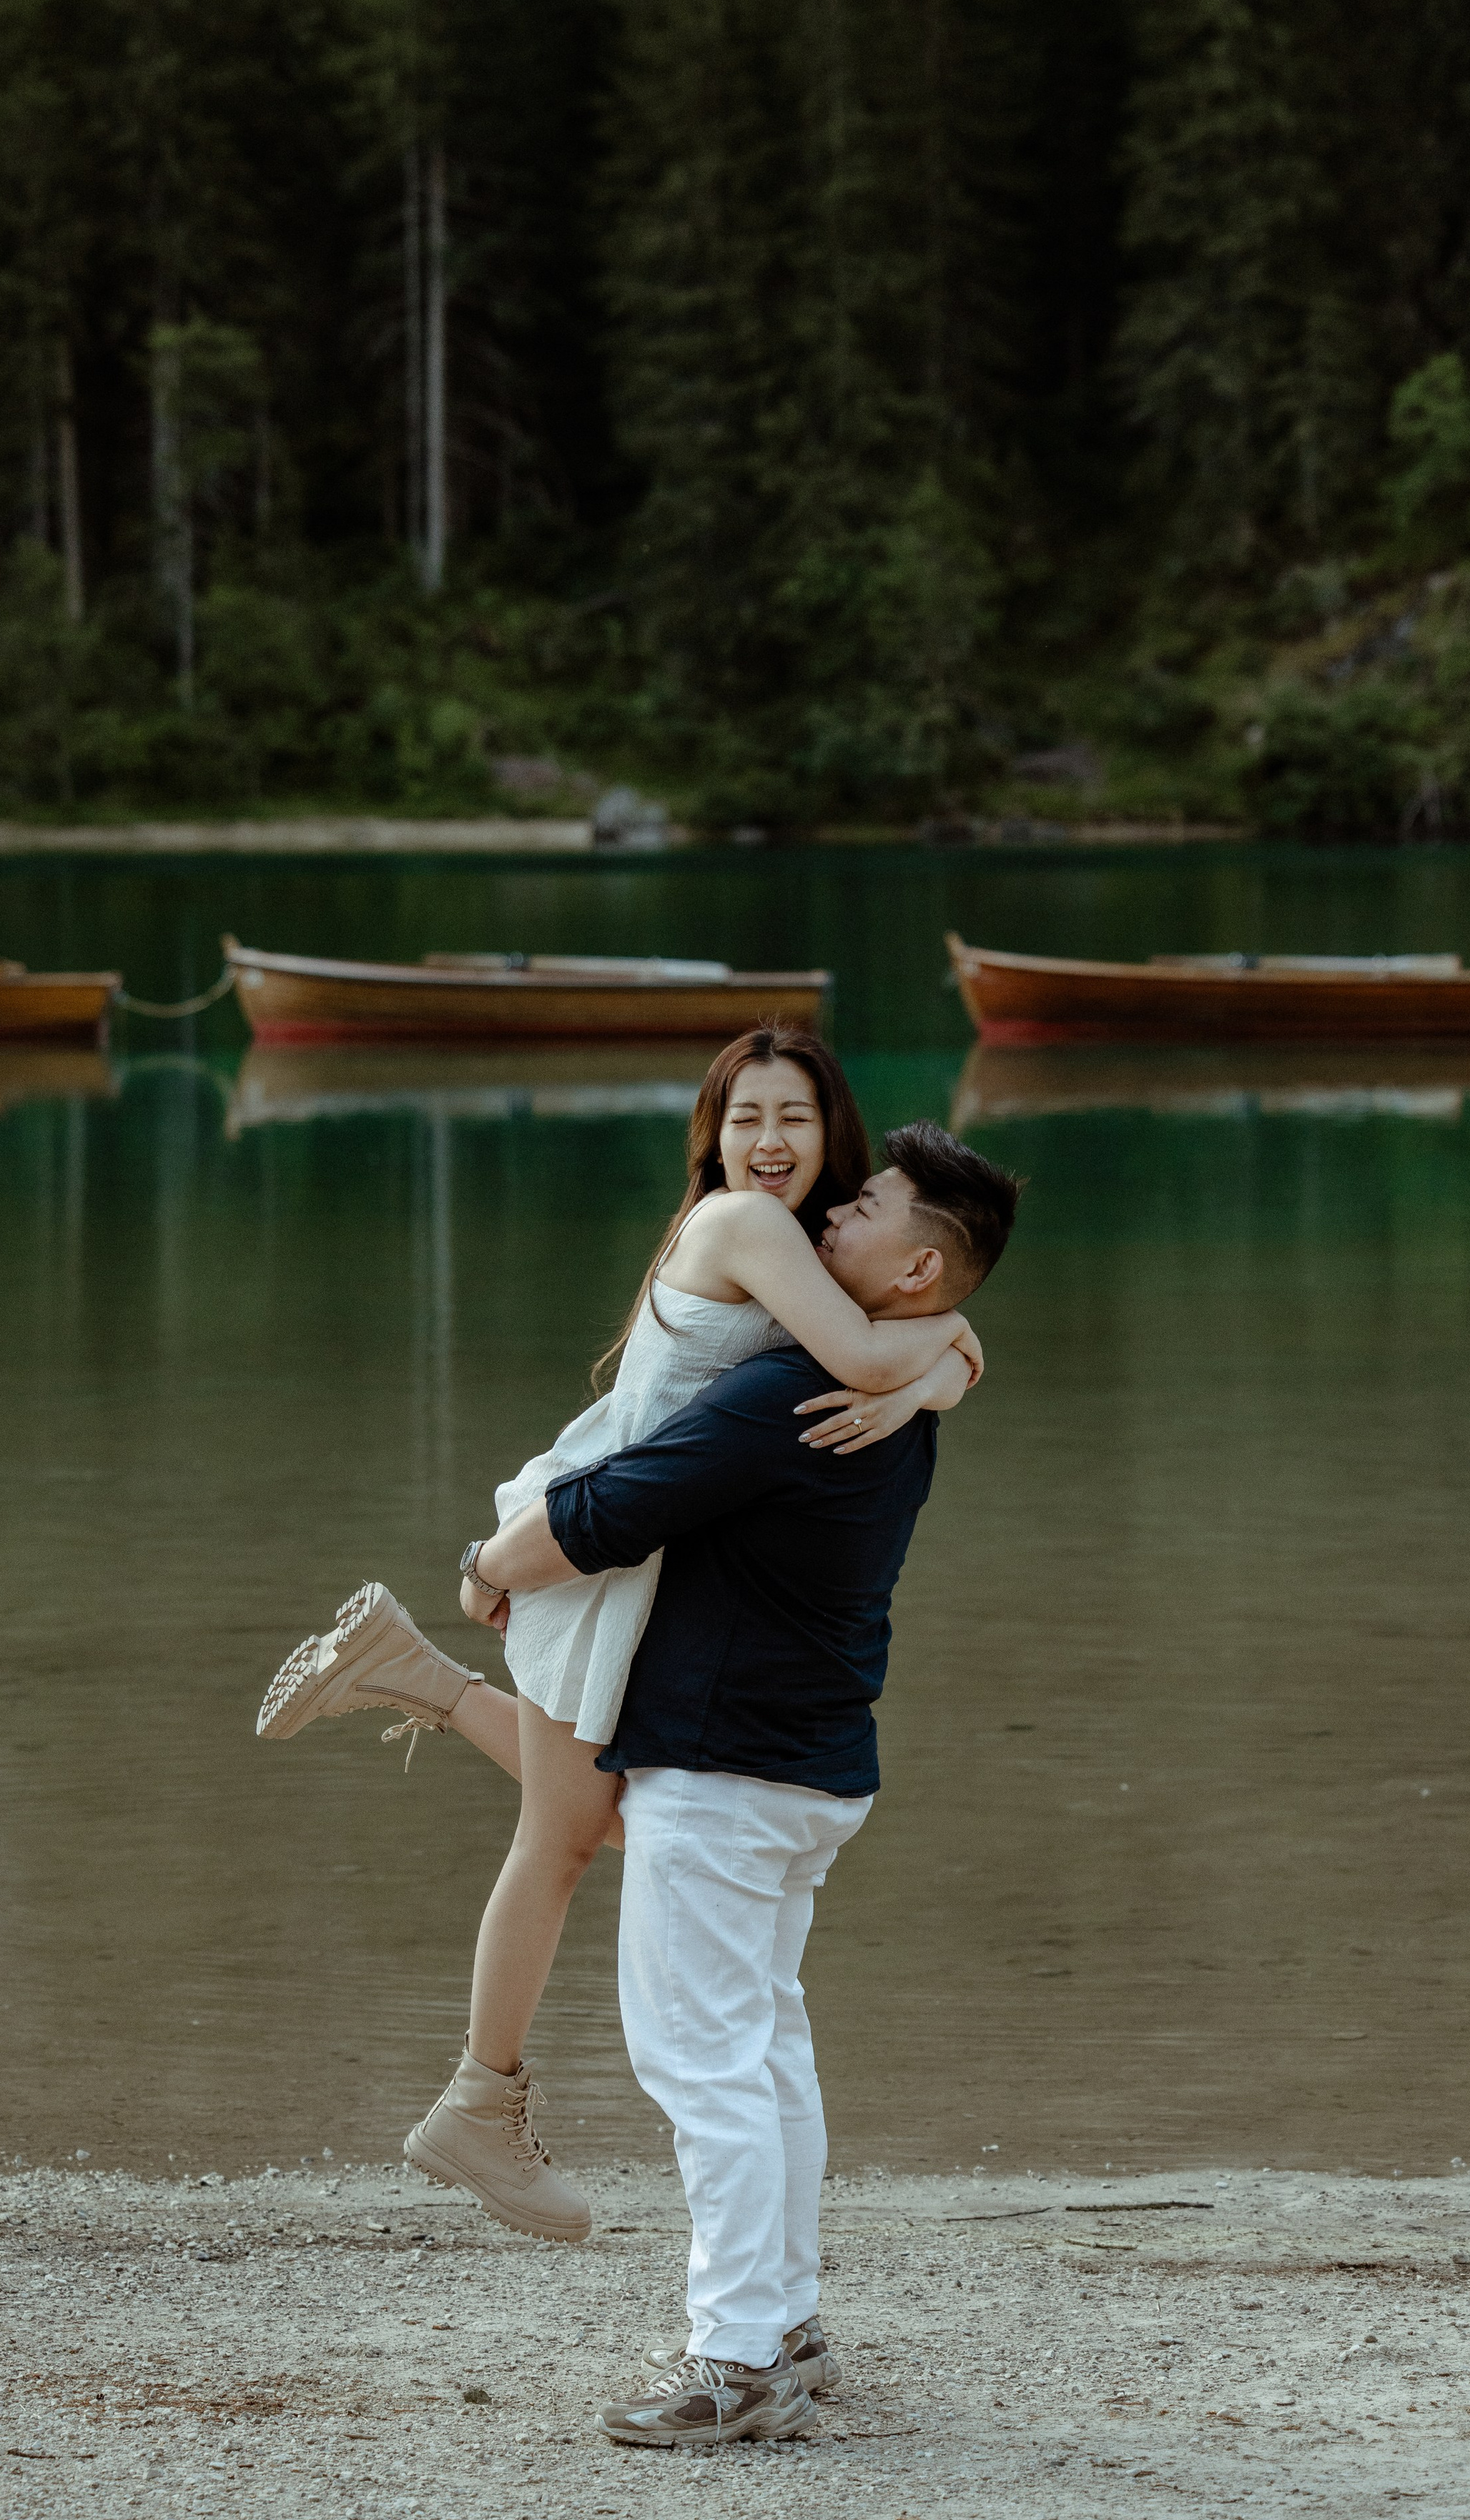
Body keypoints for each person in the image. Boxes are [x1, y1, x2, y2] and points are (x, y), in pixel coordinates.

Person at [254, 1030, 984, 2242]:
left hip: (634, 1544)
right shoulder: (747, 1226)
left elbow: (942, 1325)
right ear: (713, 1133)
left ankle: (406, 1674)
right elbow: (885, 1343)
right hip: (599, 1537)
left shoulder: (805, 1246)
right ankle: (479, 2099)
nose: (768, 1141)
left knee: (589, 1813)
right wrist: (917, 1374)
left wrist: (936, 1366)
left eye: (794, 1117)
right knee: (569, 1835)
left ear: (833, 1133)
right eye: (744, 1115)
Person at [453, 1122, 1021, 2446]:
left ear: (921, 1266)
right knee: (764, 2054)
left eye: (865, 1205)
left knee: (703, 2062)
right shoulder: (889, 1391)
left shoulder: (786, 1398)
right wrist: (945, 1360)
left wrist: (487, 1563)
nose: (832, 1215)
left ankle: (735, 2359)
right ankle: (788, 2325)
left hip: (723, 1766)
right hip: (811, 1764)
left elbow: (612, 1505)